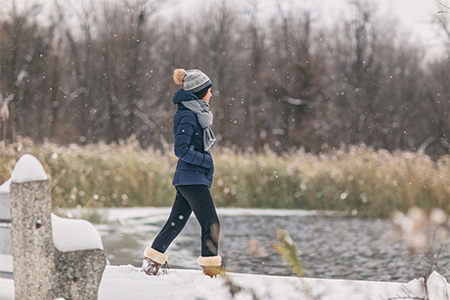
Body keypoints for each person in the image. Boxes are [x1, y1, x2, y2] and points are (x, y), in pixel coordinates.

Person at [141, 68, 223, 278]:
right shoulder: (188, 115)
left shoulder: (194, 113)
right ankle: (211, 271)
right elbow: (181, 150)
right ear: (200, 92)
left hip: (190, 178)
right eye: (209, 91)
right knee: (211, 223)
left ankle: (152, 263)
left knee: (176, 221)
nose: (211, 94)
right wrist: (206, 160)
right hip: (192, 178)